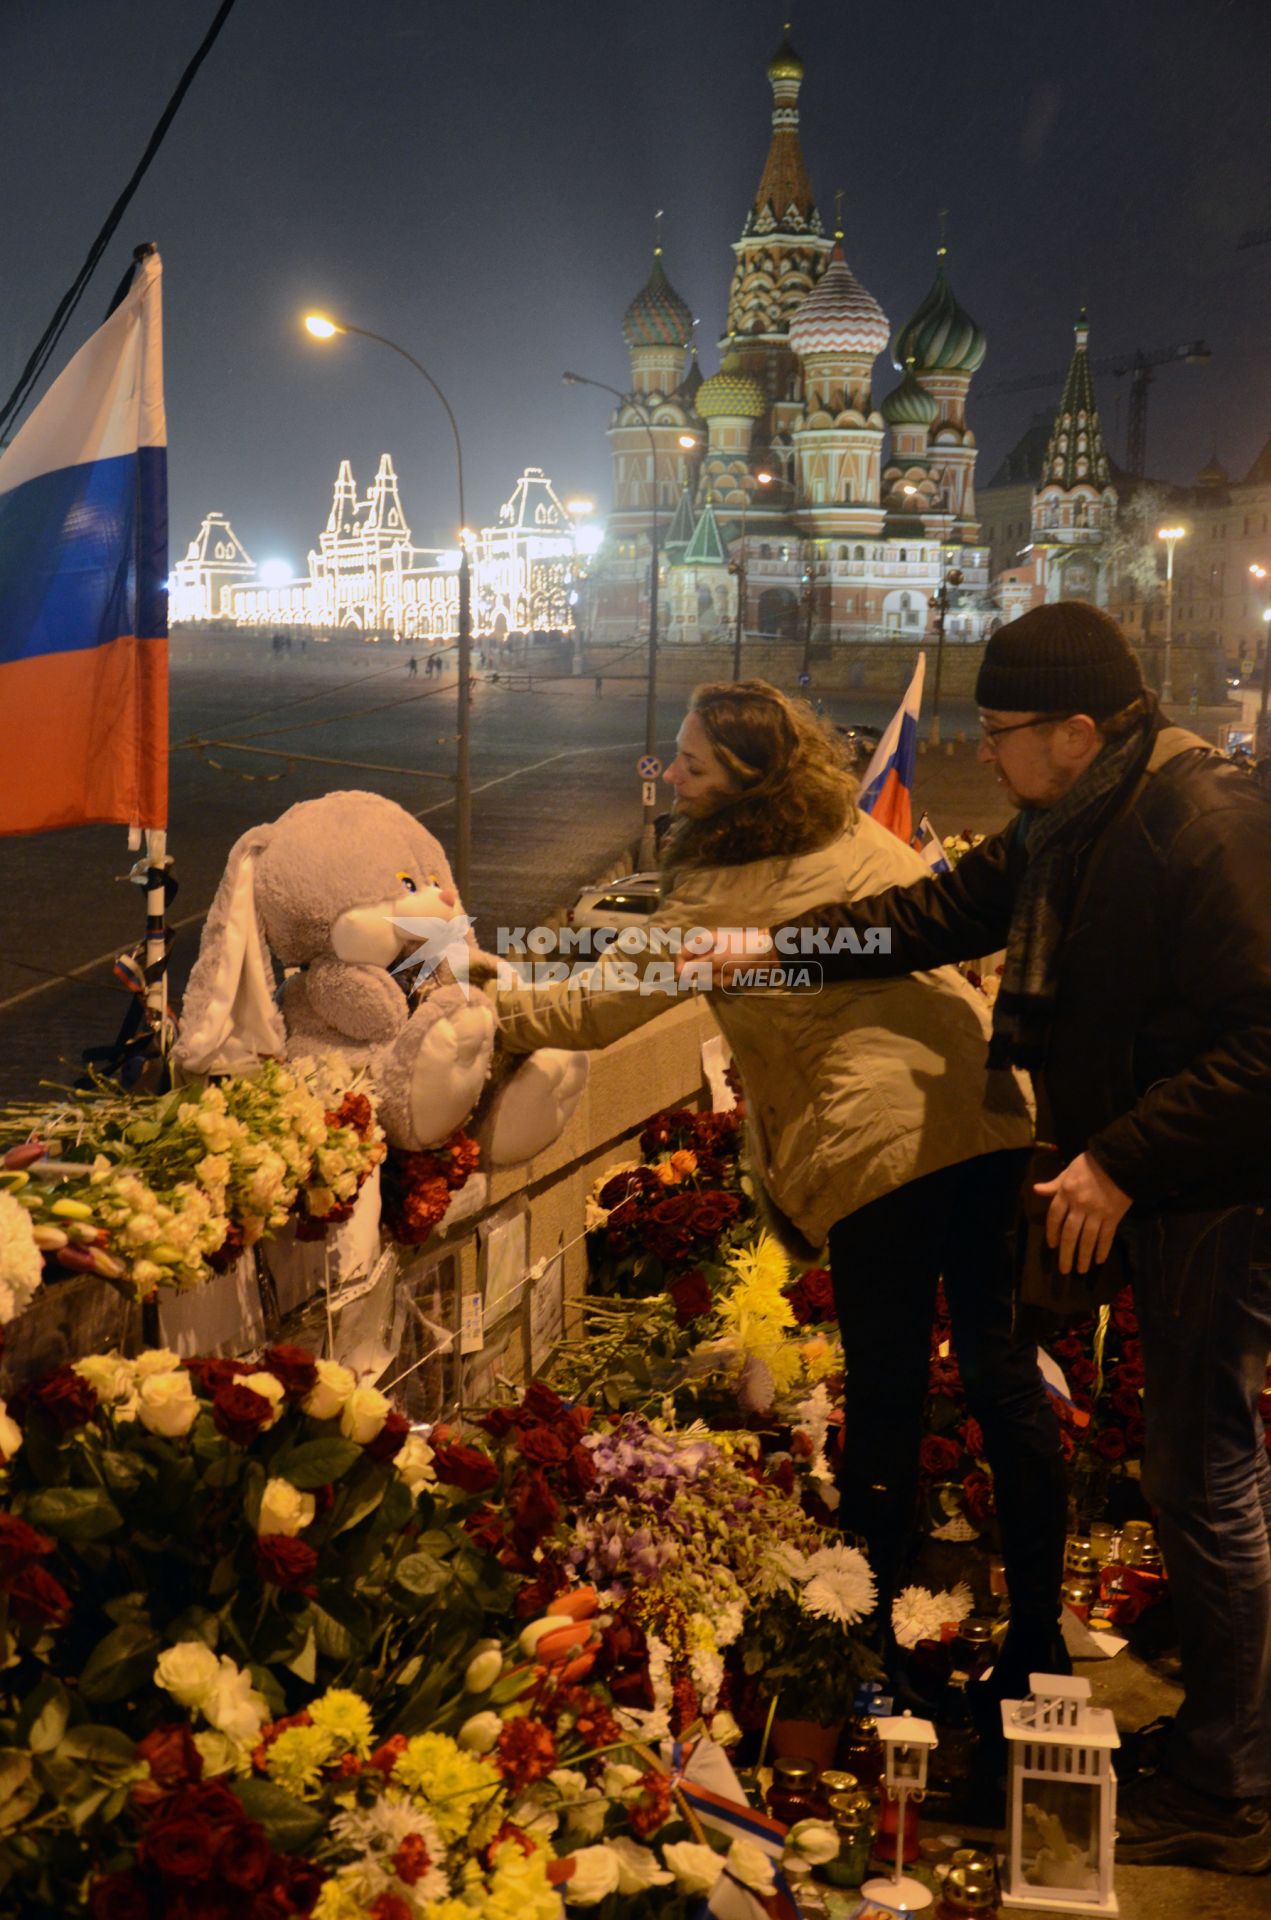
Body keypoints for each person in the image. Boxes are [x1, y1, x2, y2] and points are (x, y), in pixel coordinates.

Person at [718, 605, 1271, 1873]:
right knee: (1201, 1469)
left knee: (1206, 1475)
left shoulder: (1200, 821)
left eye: (1003, 732)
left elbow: (1261, 1042)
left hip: (1219, 1196)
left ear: (1078, 732)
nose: (986, 754)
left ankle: (1230, 1787)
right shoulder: (1075, 822)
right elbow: (939, 913)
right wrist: (773, 951)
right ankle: (1215, 1743)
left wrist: (1120, 1156)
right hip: (1175, 1185)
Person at [495, 679, 1069, 1697]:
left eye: (693, 765)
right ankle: (1035, 1640)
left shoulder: (720, 889)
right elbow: (946, 925)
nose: (670, 776)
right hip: (986, 1114)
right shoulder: (852, 833)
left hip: (879, 1143)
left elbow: (592, 1009)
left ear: (746, 783)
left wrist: (478, 1015)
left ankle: (865, 1660)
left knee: (887, 1395)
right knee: (999, 1369)